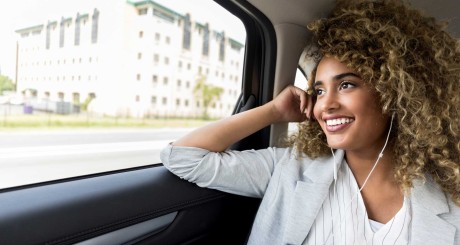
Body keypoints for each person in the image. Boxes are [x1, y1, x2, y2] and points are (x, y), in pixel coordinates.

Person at [161, 0, 460, 244]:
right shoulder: (290, 168)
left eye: (346, 85)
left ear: (395, 93)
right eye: (318, 90)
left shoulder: (451, 200)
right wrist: (273, 112)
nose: (325, 104)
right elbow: (183, 157)